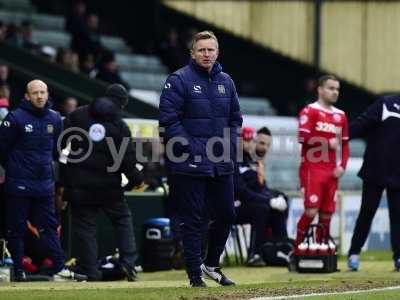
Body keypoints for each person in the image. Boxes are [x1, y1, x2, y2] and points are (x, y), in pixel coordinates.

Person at [159, 31, 242, 287]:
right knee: (193, 219)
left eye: (210, 50)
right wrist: (191, 148)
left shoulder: (226, 81)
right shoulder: (178, 80)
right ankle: (195, 274)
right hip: (189, 162)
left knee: (227, 214)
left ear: (217, 52)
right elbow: (168, 120)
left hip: (221, 162)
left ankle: (211, 264)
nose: (206, 54)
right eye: (201, 50)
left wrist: (228, 145)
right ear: (192, 53)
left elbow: (235, 119)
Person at [0, 79, 86, 281]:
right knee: (16, 228)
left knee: (50, 227)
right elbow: (2, 150)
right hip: (19, 184)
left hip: (44, 185)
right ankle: (18, 271)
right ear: (27, 96)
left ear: (47, 94)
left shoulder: (55, 118)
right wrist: (16, 168)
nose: (39, 96)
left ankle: (59, 269)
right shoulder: (14, 118)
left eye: (43, 92)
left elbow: (57, 150)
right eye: (35, 93)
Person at [58, 83, 144, 281]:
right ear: (122, 104)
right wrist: (137, 179)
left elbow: (61, 148)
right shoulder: (120, 126)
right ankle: (129, 264)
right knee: (122, 220)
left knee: (85, 229)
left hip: (79, 186)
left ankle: (91, 272)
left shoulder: (77, 115)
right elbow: (127, 160)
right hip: (109, 187)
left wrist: (63, 182)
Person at [347, 94, 400, 272]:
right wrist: (341, 136)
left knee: (398, 217)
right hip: (375, 168)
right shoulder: (387, 103)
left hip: (398, 174)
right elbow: (363, 123)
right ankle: (354, 253)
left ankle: (399, 257)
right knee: (367, 212)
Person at [295, 75, 349, 247]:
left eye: (337, 89)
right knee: (311, 210)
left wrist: (342, 166)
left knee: (327, 213)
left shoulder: (341, 116)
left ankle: (321, 249)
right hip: (312, 168)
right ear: (320, 89)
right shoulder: (309, 111)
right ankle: (296, 249)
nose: (335, 92)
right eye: (331, 88)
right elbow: (302, 138)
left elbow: (345, 144)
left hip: (332, 171)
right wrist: (326, 143)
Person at [236, 127, 288, 267]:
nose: (248, 144)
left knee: (280, 201)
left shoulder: (250, 162)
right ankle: (255, 253)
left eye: (250, 141)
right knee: (262, 208)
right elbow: (241, 192)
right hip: (232, 205)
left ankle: (279, 248)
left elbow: (260, 188)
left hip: (247, 203)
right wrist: (269, 200)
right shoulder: (233, 161)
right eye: (244, 140)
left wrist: (275, 197)